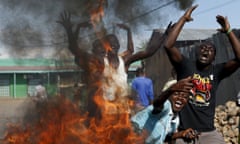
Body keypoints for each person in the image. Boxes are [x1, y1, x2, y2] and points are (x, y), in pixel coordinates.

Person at [57, 11, 169, 116]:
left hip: (123, 111)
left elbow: (147, 51)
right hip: (105, 112)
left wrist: (165, 36)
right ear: (106, 46)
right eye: (111, 42)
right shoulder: (100, 62)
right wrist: (70, 29)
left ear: (119, 45)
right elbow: (75, 49)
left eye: (116, 42)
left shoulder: (124, 61)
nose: (114, 43)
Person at [163, 5, 240, 144]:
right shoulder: (186, 66)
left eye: (210, 49)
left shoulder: (217, 71)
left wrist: (228, 31)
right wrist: (184, 19)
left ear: (214, 57)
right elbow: (168, 45)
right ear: (197, 52)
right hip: (184, 132)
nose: (205, 50)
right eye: (202, 47)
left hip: (208, 133)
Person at [131, 77, 199, 144]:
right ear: (169, 96)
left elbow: (165, 137)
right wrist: (171, 89)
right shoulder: (166, 105)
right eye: (176, 94)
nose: (180, 98)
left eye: (184, 96)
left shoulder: (175, 120)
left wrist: (181, 134)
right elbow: (157, 104)